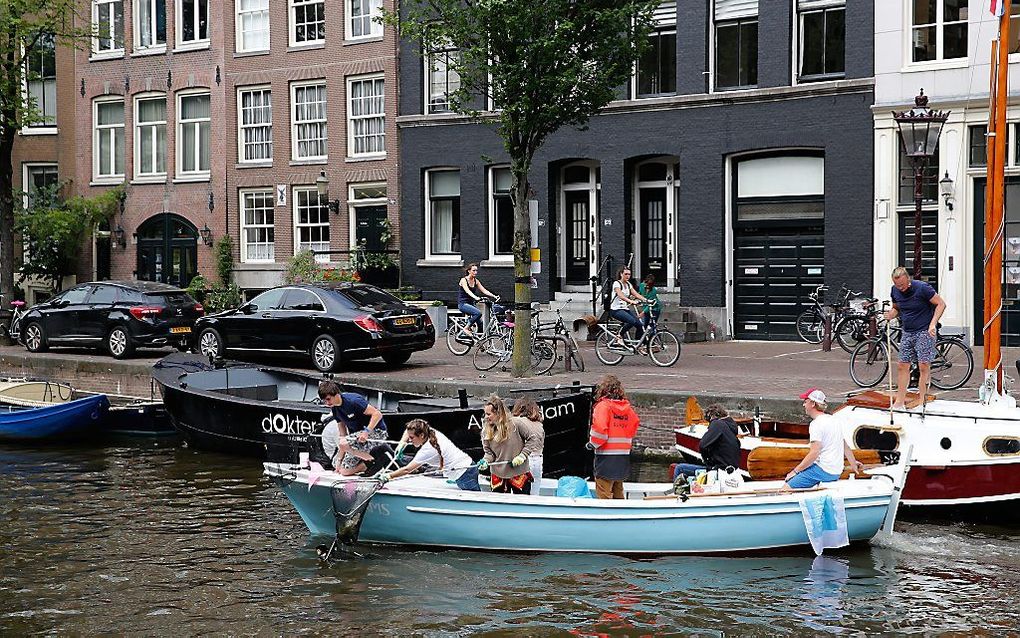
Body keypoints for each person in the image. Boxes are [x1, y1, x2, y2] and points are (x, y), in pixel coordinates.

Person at [884, 266, 947, 408]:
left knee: (923, 365)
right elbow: (897, 308)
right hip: (907, 331)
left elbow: (941, 304)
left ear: (908, 278)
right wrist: (890, 314)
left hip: (924, 330)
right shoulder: (895, 291)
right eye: (896, 285)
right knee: (902, 365)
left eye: (901, 284)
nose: (900, 288)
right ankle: (899, 401)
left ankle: (922, 399)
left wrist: (933, 324)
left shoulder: (922, 288)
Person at [784, 388, 864, 489]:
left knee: (785, 488)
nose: (803, 405)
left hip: (823, 470)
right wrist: (853, 463)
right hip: (836, 472)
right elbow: (844, 445)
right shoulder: (834, 420)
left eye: (805, 401)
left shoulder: (815, 424)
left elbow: (814, 453)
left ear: (813, 404)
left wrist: (794, 472)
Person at [380, 419, 480, 491]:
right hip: (466, 467)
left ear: (421, 435)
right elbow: (408, 430)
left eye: (412, 437)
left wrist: (389, 476)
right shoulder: (428, 431)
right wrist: (402, 443)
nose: (410, 440)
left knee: (476, 503)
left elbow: (407, 469)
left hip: (464, 473)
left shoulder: (428, 449)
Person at [317, 379, 388, 476]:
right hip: (356, 437)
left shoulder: (353, 401)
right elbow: (343, 435)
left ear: (336, 394)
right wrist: (339, 460)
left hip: (376, 431)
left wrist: (366, 432)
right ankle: (369, 460)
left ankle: (372, 461)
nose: (327, 403)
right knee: (338, 466)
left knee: (345, 458)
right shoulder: (335, 409)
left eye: (328, 399)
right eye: (324, 400)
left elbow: (377, 414)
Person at [588, 375, 640, 499]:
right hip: (622, 457)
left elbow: (600, 431)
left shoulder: (603, 407)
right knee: (618, 491)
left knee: (604, 493)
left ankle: (605, 516)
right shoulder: (628, 410)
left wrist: (591, 444)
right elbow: (633, 426)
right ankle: (621, 515)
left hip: (606, 458)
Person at [479, 394, 543, 494]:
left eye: (488, 414)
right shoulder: (486, 431)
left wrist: (522, 456)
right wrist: (486, 460)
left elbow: (532, 439)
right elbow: (489, 453)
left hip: (519, 473)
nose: (486, 417)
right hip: (498, 475)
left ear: (498, 413)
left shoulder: (516, 424)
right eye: (485, 414)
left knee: (523, 504)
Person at [672, 404, 741, 481]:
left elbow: (702, 445)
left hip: (719, 471)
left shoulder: (717, 424)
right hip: (730, 471)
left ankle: (677, 491)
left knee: (679, 468)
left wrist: (706, 460)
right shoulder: (731, 428)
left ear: (711, 416)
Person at [511, 397, 545, 495]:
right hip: (538, 461)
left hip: (524, 461)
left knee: (520, 494)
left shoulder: (516, 422)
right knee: (535, 494)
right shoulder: (539, 425)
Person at [458, 263, 505, 334]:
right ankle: (466, 328)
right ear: (469, 271)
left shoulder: (476, 281)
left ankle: (479, 341)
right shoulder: (463, 280)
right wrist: (476, 297)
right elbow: (467, 291)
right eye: (473, 270)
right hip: (463, 304)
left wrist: (494, 296)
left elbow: (484, 290)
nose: (475, 272)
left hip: (471, 304)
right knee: (478, 313)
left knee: (480, 324)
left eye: (476, 271)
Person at [609, 266, 649, 348]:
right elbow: (621, 296)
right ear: (621, 274)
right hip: (616, 310)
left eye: (629, 274)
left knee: (639, 324)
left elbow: (636, 294)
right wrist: (631, 301)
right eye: (626, 274)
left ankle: (638, 345)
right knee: (631, 321)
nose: (628, 276)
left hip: (624, 309)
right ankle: (619, 336)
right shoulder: (617, 284)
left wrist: (646, 300)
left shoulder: (628, 284)